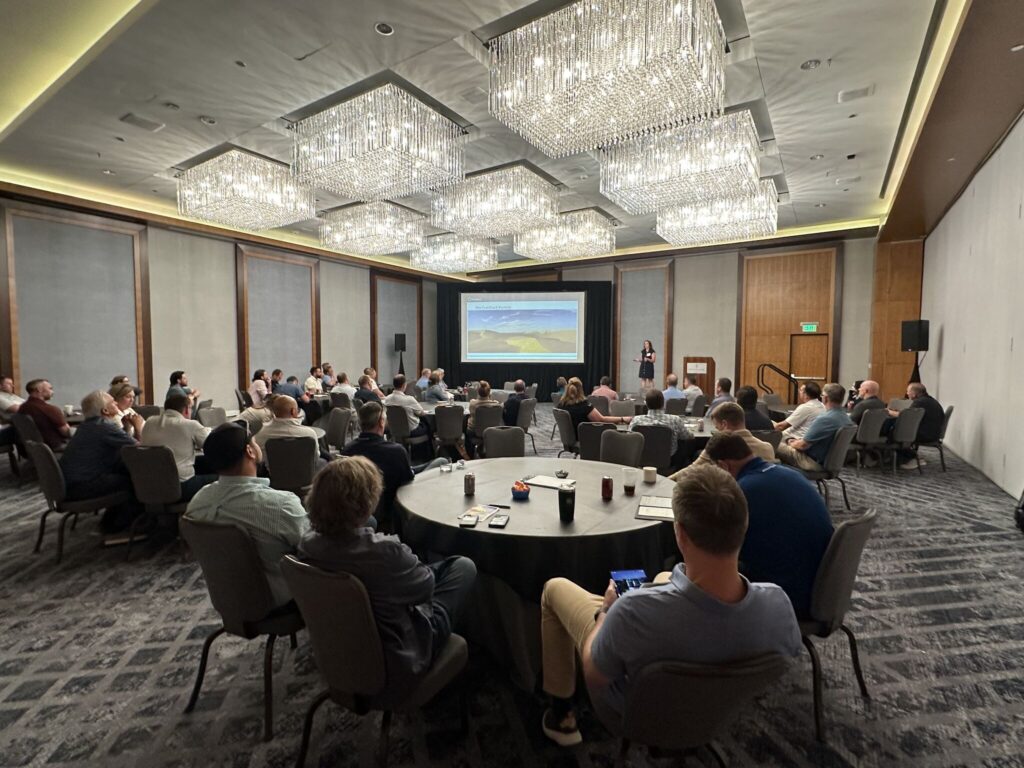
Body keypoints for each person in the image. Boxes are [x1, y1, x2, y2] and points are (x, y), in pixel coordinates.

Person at [538, 464, 801, 746]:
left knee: (554, 589)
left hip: (632, 714)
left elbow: (594, 675)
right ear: (744, 526)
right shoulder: (779, 605)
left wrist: (604, 613)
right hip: (718, 713)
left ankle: (562, 717)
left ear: (681, 534)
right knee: (664, 577)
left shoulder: (631, 612)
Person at [298, 456, 477, 703]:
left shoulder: (307, 545)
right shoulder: (385, 553)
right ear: (366, 503)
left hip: (338, 656)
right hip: (399, 661)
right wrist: (408, 558)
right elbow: (426, 588)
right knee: (463, 567)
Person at [705, 433, 833, 619]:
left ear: (724, 466)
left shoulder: (744, 491)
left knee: (705, 566)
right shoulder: (789, 474)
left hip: (787, 593)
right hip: (818, 582)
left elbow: (722, 549)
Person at [185, 423, 310, 607]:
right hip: (281, 600)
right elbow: (313, 548)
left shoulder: (197, 503)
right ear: (250, 451)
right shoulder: (280, 505)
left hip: (226, 598)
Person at [342, 401, 447, 531]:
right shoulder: (395, 451)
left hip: (365, 505)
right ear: (381, 423)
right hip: (396, 501)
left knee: (436, 463)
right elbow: (408, 481)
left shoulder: (347, 451)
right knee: (441, 462)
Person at [59, 391, 137, 530]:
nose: (116, 403)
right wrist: (137, 426)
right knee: (138, 481)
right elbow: (139, 448)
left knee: (125, 471)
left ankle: (112, 520)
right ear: (105, 410)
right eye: (113, 402)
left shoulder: (87, 425)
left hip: (70, 484)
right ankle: (118, 526)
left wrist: (126, 427)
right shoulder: (105, 426)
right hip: (83, 487)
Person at [670, 402, 775, 480]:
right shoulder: (767, 448)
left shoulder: (718, 448)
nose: (717, 431)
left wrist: (665, 482)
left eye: (717, 428)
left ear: (724, 424)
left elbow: (689, 472)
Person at [141, 393, 215, 501]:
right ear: (186, 409)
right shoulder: (190, 425)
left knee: (203, 461)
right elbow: (214, 448)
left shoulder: (149, 421)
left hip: (150, 485)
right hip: (180, 487)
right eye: (191, 408)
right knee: (224, 478)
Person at [777, 383, 853, 472]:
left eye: (822, 396)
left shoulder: (825, 419)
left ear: (825, 398)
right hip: (831, 463)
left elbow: (802, 446)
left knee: (771, 444)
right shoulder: (847, 418)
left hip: (812, 462)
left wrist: (789, 442)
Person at [253, 395, 327, 469]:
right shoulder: (309, 434)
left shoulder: (261, 433)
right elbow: (315, 457)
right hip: (305, 473)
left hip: (272, 474)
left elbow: (261, 459)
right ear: (293, 411)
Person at [887, 382, 945, 468]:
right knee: (897, 432)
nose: (907, 393)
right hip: (933, 432)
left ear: (914, 394)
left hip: (926, 434)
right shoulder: (929, 400)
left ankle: (911, 458)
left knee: (894, 433)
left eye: (908, 391)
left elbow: (906, 417)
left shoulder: (920, 402)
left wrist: (889, 412)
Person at [628, 388, 692, 463]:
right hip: (669, 460)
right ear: (663, 403)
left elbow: (630, 438)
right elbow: (688, 436)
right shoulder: (675, 420)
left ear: (646, 404)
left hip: (641, 461)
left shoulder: (636, 420)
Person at [558, 377, 630, 435]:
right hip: (586, 437)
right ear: (581, 390)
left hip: (570, 437)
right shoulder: (583, 405)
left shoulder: (560, 405)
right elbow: (601, 420)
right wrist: (622, 419)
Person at [19, 378, 71, 451]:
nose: (52, 392)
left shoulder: (23, 408)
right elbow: (67, 432)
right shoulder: (50, 409)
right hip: (55, 447)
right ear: (39, 390)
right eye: (50, 388)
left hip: (30, 449)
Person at [383, 374, 430, 440]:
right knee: (428, 425)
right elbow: (421, 413)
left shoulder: (387, 399)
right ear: (404, 385)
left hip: (394, 429)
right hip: (411, 431)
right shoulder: (409, 399)